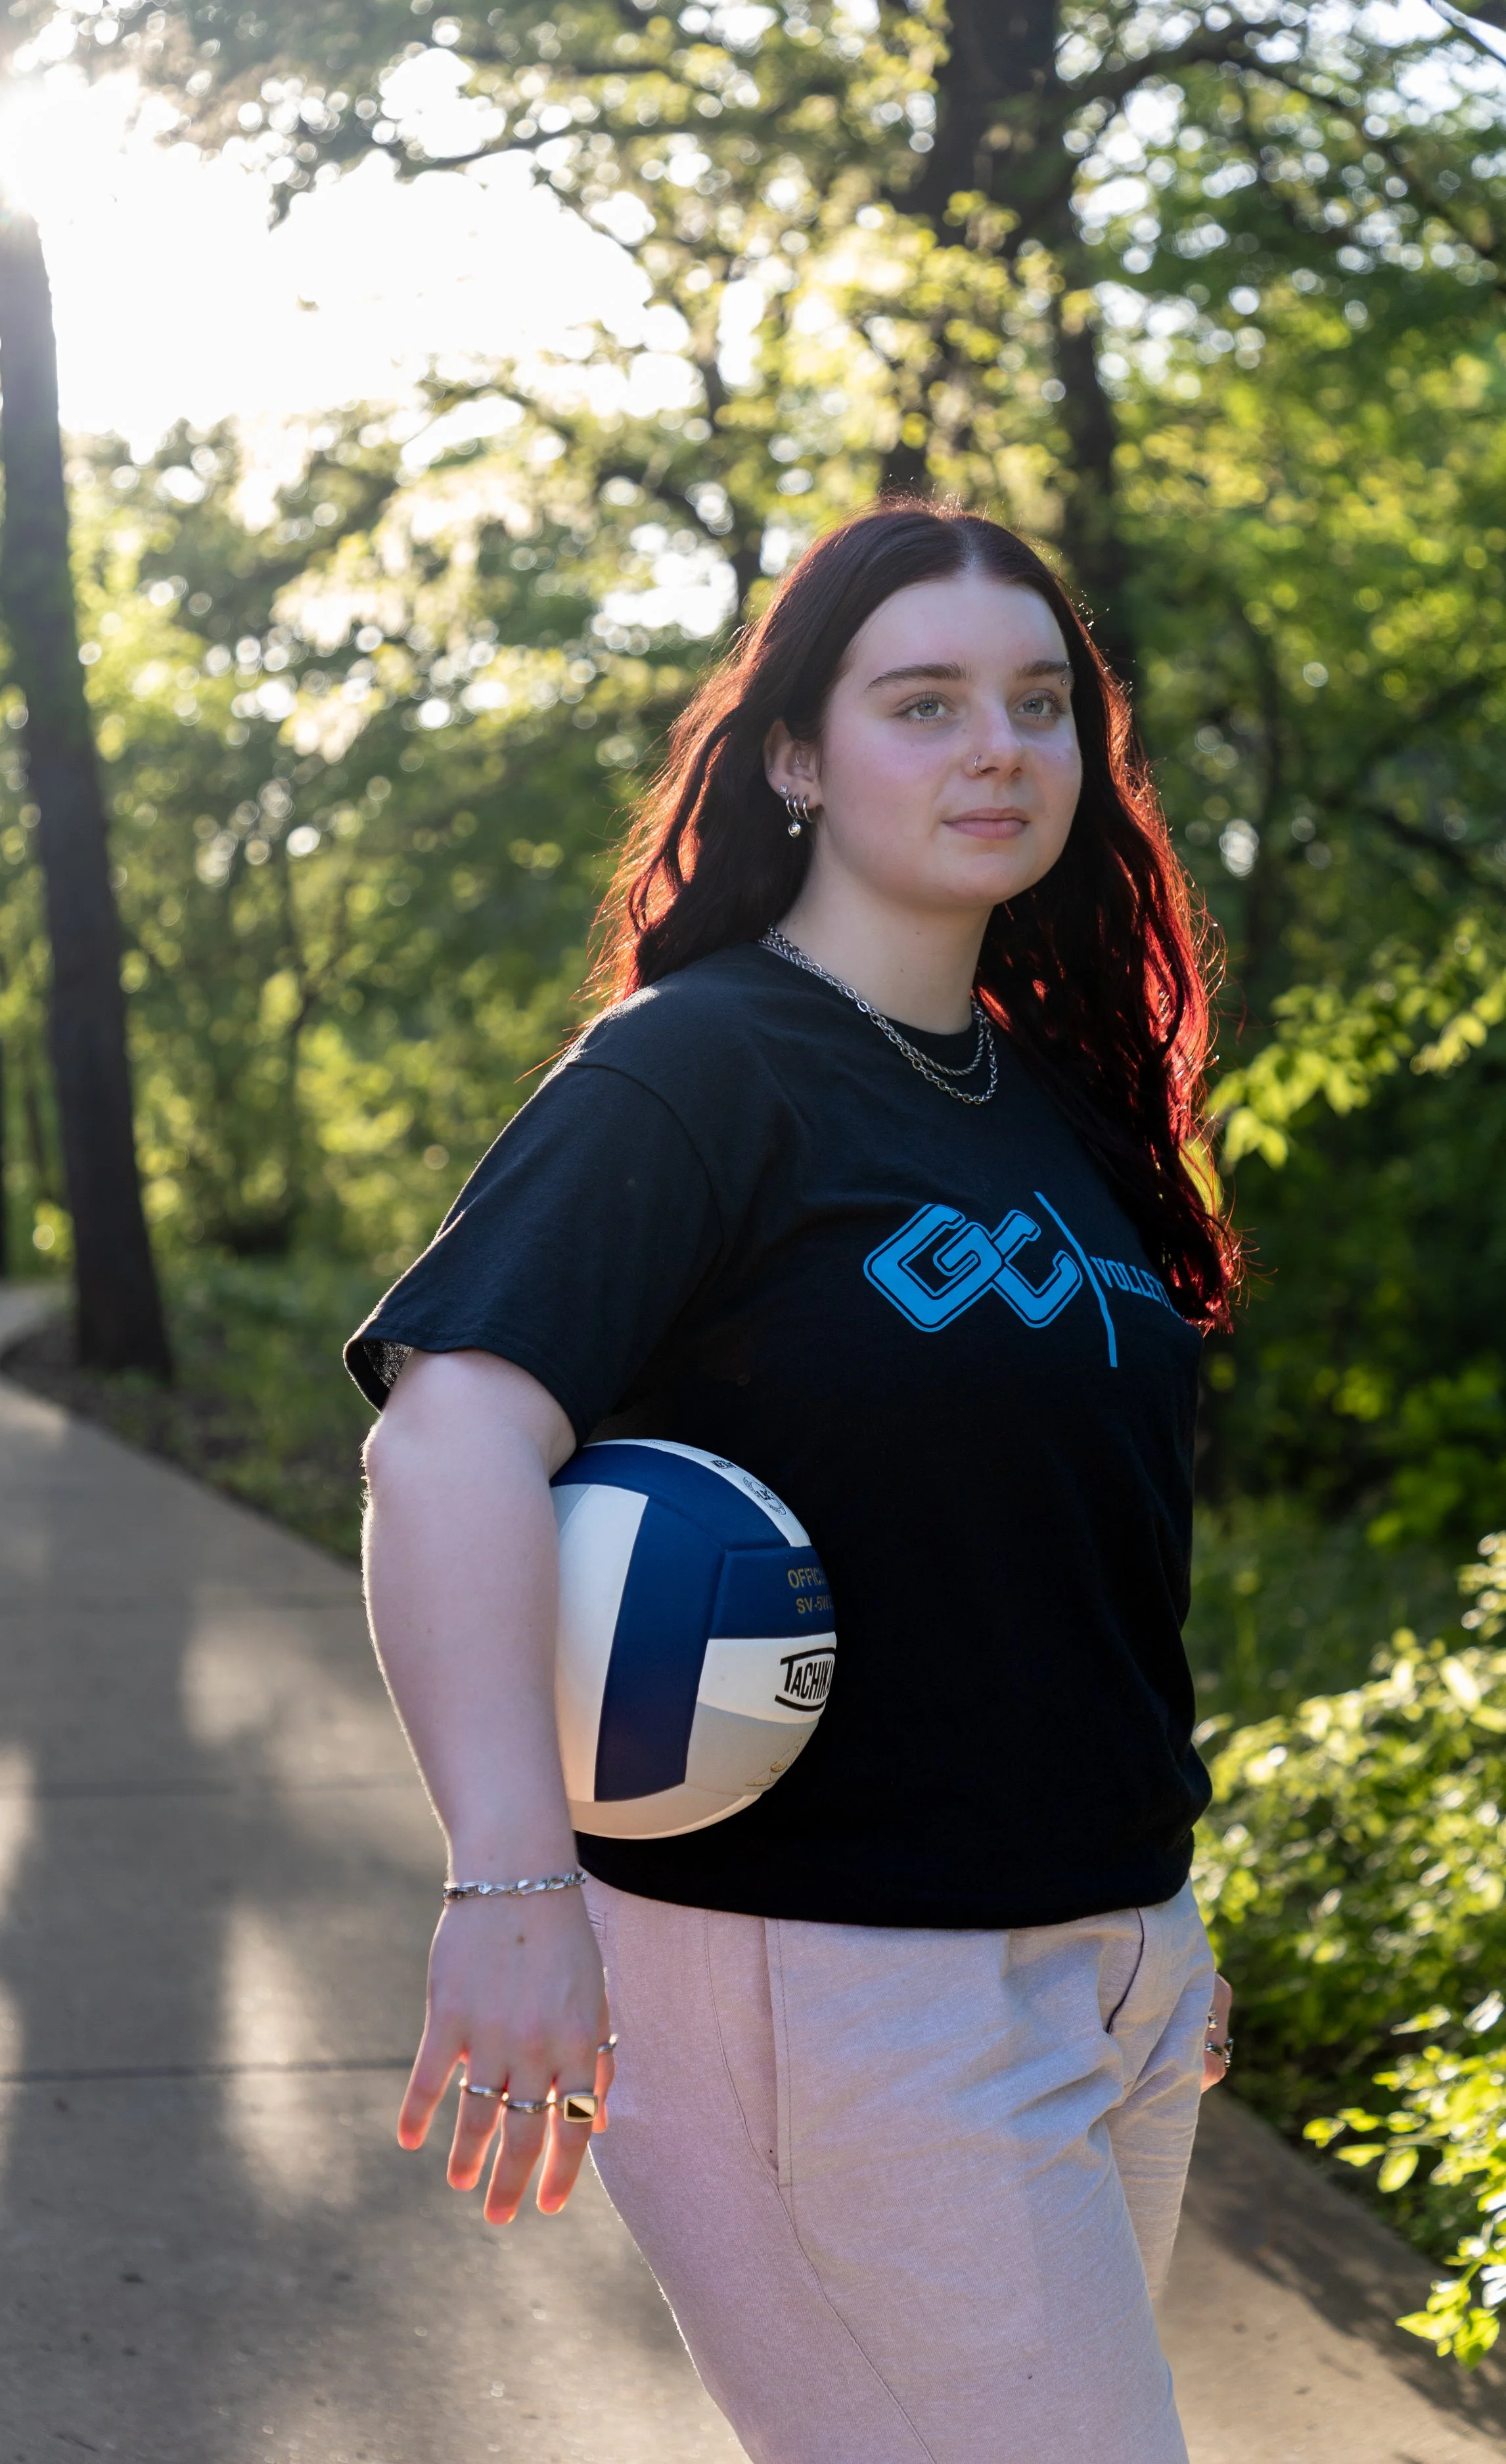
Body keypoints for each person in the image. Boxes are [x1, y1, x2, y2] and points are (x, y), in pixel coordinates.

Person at [346, 502, 1239, 2464]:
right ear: (794, 757)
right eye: (919, 702)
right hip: (824, 1982)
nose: (994, 746)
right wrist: (509, 1875)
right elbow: (448, 1433)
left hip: (1103, 1964)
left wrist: (1149, 1943)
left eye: (1036, 703)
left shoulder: (1052, 1106)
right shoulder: (696, 1068)